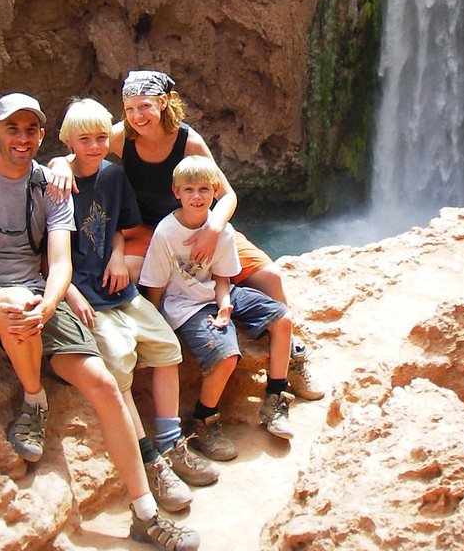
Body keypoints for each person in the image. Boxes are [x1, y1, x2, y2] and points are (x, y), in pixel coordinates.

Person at [0, 92, 199, 551]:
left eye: (29, 129)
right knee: (16, 306)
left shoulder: (51, 184)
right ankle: (35, 400)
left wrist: (50, 303)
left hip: (40, 294)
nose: (21, 138)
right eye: (11, 129)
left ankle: (144, 513)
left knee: (102, 382)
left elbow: (58, 264)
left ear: (40, 136)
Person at [48, 69, 324, 402]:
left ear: (163, 103)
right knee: (129, 274)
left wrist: (212, 229)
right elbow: (81, 148)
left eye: (145, 107)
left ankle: (291, 355)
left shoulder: (187, 140)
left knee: (269, 274)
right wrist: (58, 164)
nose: (137, 116)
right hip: (149, 229)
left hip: (196, 223)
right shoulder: (123, 136)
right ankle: (151, 338)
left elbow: (228, 195)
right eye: (130, 108)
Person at [58, 97, 219, 512]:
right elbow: (43, 250)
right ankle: (149, 461)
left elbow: (122, 229)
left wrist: (116, 255)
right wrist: (68, 292)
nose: (94, 146)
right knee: (118, 362)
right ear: (67, 142)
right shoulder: (55, 184)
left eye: (100, 138)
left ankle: (171, 444)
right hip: (82, 294)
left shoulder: (113, 176)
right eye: (84, 140)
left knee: (166, 346)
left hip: (118, 289)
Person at [140, 154, 295, 461]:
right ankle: (204, 420)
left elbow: (222, 276)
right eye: (189, 190)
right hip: (184, 305)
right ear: (176, 193)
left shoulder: (221, 230)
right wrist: (155, 322)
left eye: (203, 190)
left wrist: (225, 305)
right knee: (226, 356)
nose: (197, 197)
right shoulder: (166, 233)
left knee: (283, 319)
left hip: (218, 294)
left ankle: (275, 398)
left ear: (214, 191)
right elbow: (154, 284)